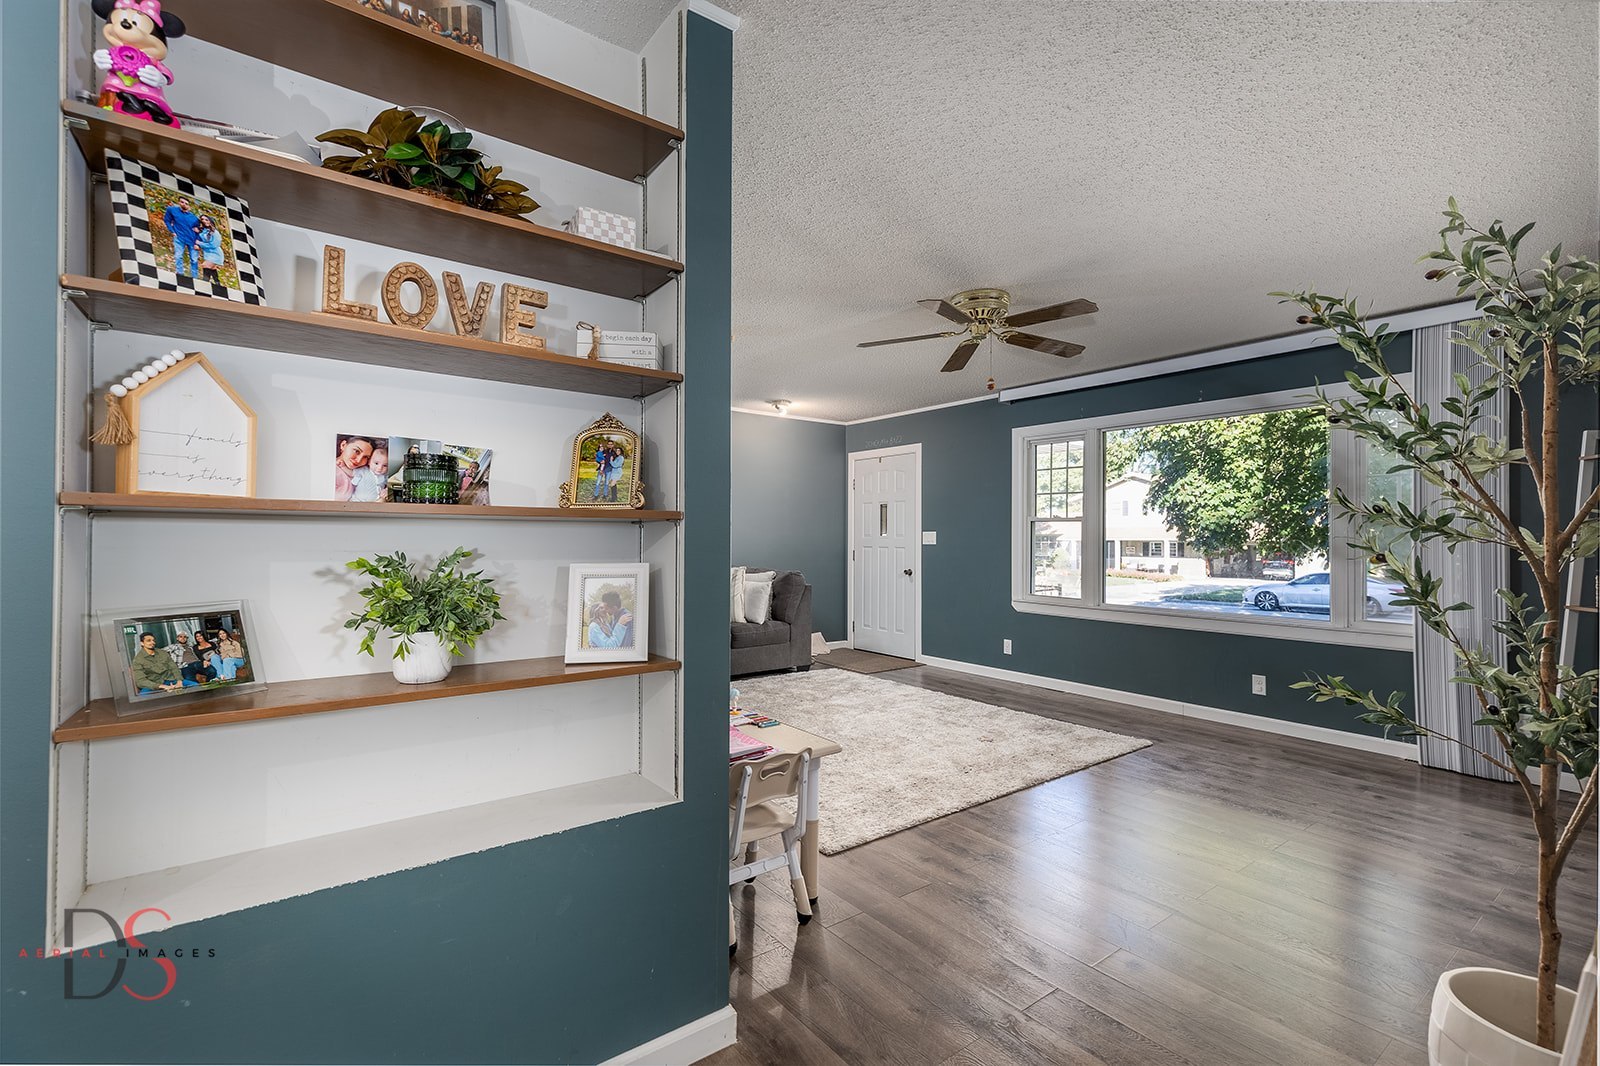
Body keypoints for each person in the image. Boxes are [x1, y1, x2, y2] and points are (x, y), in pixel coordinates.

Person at [161, 195, 201, 277]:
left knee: (194, 260)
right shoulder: (172, 210)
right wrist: (172, 231)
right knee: (178, 256)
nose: (184, 204)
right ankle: (180, 274)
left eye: (186, 203)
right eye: (182, 202)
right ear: (179, 202)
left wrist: (197, 243)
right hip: (179, 238)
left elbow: (199, 231)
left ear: (189, 205)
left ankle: (194, 277)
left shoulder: (194, 218)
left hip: (192, 240)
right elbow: (167, 220)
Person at [334, 435, 375, 501]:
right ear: (343, 445)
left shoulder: (364, 473)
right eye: (356, 451)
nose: (359, 460)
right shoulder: (332, 470)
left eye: (366, 457)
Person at [194, 215, 225, 284]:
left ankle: (205, 283)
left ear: (210, 221)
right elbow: (200, 238)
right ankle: (218, 284)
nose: (204, 221)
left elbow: (214, 245)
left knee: (205, 265)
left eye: (206, 220)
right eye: (202, 219)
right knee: (212, 268)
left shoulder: (215, 232)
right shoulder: (203, 231)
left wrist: (200, 243)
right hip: (208, 253)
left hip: (215, 253)